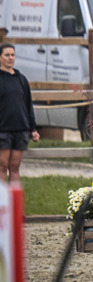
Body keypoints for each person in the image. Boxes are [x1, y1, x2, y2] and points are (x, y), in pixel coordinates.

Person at [0, 43, 39, 183]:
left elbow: (28, 105)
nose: (10, 58)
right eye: (7, 55)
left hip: (21, 128)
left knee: (15, 166)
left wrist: (33, 128)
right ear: (0, 57)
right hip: (3, 129)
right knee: (2, 165)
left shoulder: (21, 79)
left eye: (12, 55)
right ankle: (2, 196)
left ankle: (15, 195)